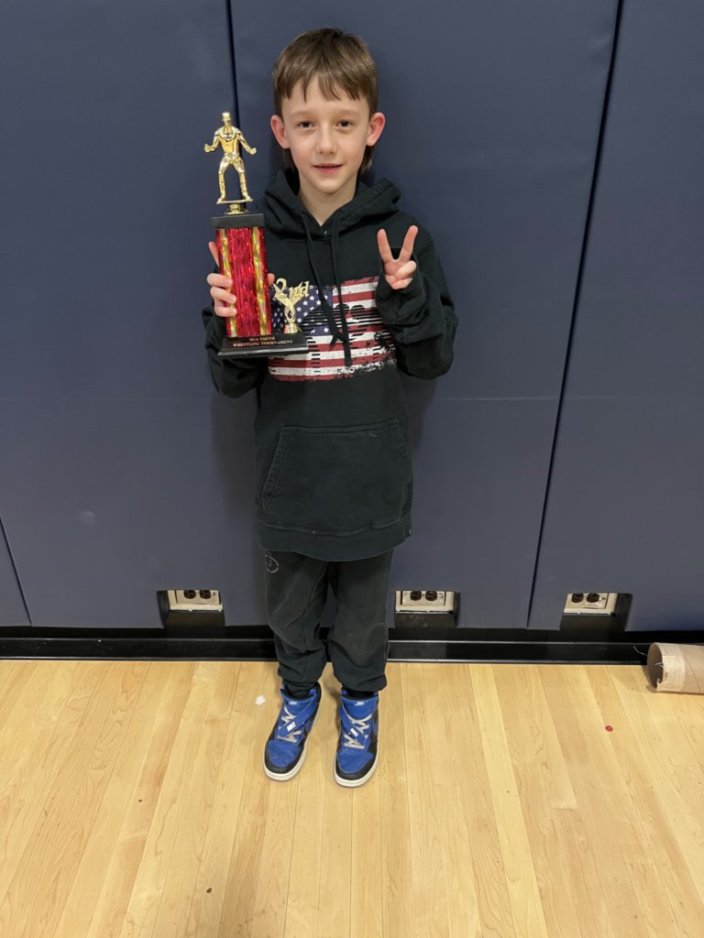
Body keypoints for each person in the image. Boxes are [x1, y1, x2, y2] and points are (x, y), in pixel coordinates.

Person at [203, 27, 456, 787]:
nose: (325, 143)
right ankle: (297, 693)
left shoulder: (401, 238)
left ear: (371, 130)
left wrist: (407, 301)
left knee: (363, 613)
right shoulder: (251, 245)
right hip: (289, 483)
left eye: (343, 123)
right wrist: (229, 326)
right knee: (289, 609)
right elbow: (230, 383)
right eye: (306, 123)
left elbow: (433, 360)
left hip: (372, 480)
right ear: (279, 133)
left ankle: (361, 698)